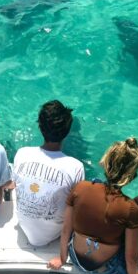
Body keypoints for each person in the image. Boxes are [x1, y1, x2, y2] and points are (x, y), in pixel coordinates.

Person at [47, 137, 138, 274]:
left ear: (106, 163)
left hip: (75, 260)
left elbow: (66, 230)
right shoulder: (130, 208)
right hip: (108, 271)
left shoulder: (80, 188)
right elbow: (131, 259)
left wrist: (62, 258)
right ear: (132, 175)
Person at [13, 100, 85, 246]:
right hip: (54, 233)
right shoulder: (76, 167)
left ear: (40, 127)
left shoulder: (22, 154)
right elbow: (76, 208)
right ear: (67, 132)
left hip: (24, 225)